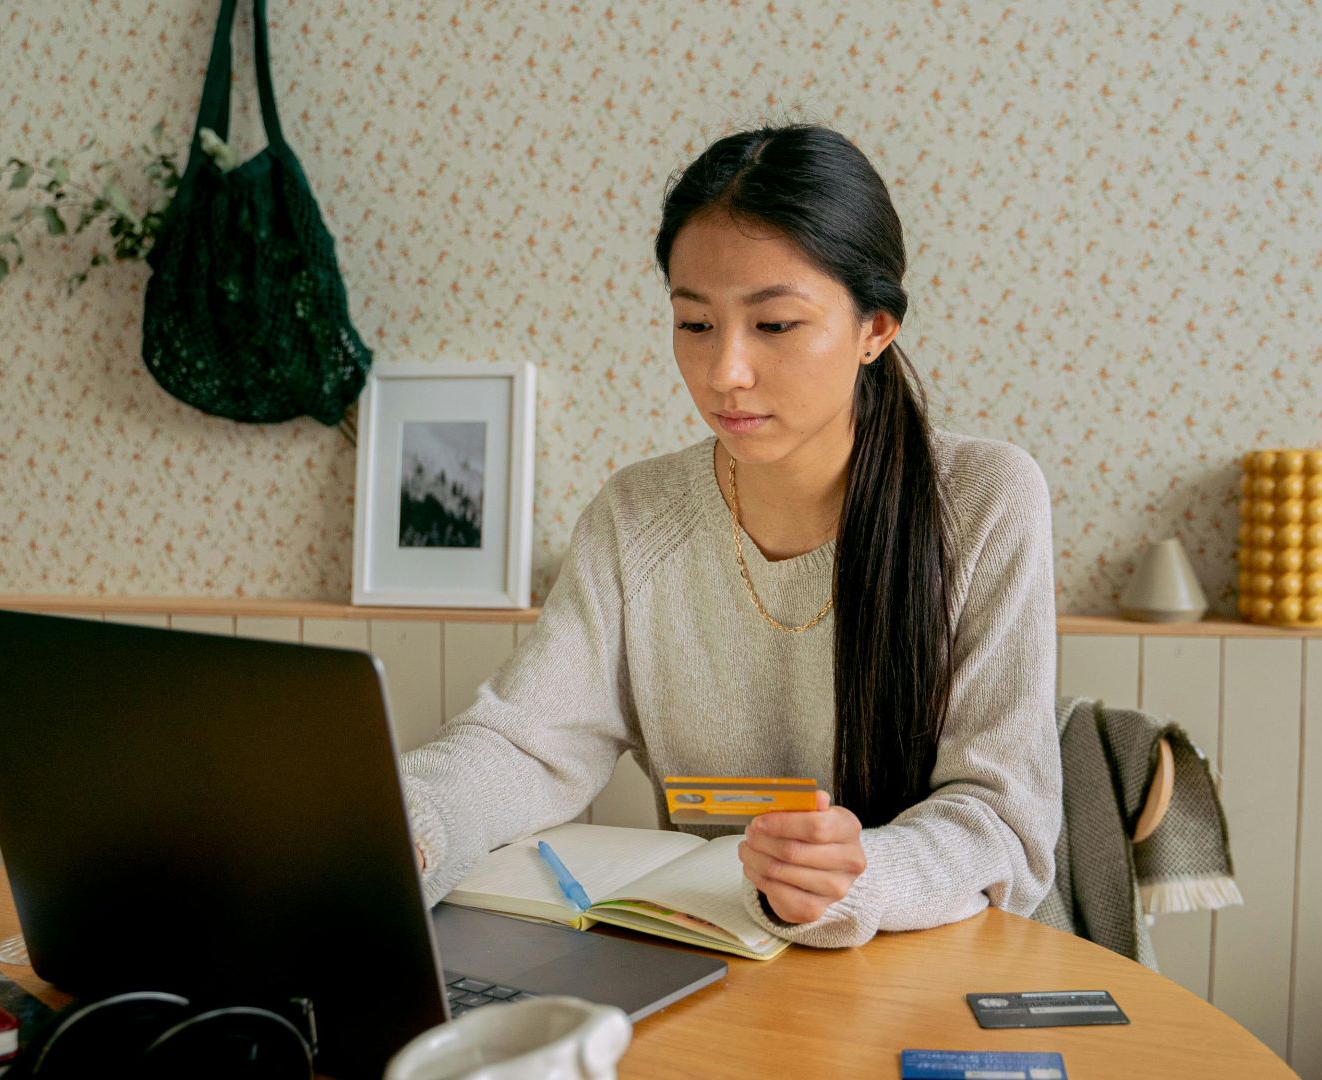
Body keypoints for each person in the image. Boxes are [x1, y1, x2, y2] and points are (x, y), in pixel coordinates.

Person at [400, 124, 1059, 948]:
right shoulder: (636, 514)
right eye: (696, 325)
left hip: (938, 965)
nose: (725, 374)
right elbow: (528, 746)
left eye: (774, 325)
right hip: (722, 967)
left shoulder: (985, 500)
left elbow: (1002, 819)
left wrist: (859, 877)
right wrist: (405, 825)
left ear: (875, 329)